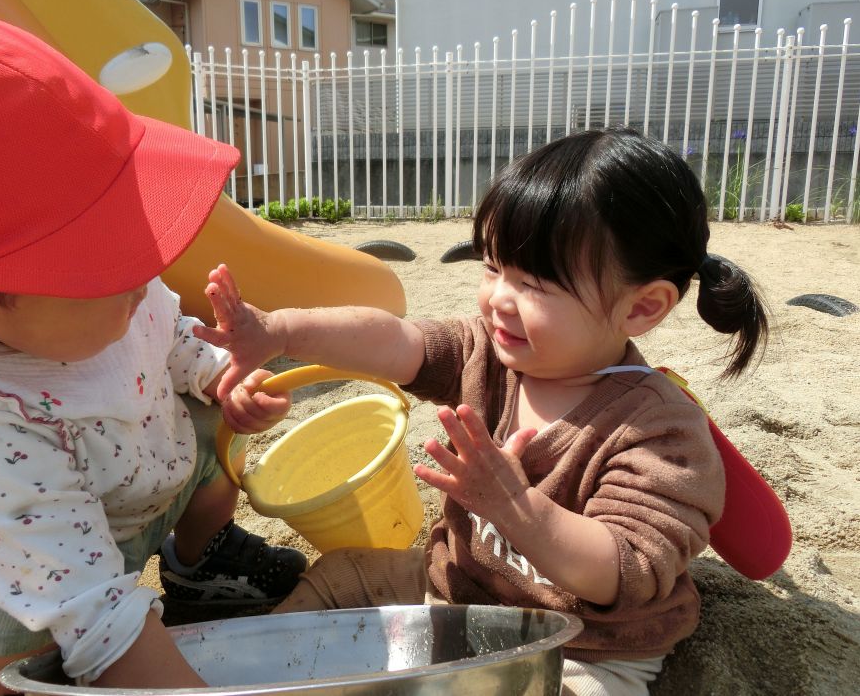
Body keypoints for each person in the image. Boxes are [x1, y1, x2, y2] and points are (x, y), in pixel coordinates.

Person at [191, 128, 770, 696]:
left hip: (579, 645)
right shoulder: (486, 354)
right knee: (343, 575)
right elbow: (393, 340)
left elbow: (624, 572)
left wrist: (517, 507)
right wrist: (281, 330)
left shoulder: (657, 430)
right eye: (493, 267)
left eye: (535, 283)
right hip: (460, 591)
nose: (497, 297)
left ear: (642, 307)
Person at [0, 12, 307, 694]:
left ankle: (199, 560)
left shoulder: (106, 297)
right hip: (20, 551)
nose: (147, 266)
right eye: (101, 258)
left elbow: (171, 333)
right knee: (0, 617)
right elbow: (93, 610)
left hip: (136, 483)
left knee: (208, 428)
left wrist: (219, 378)